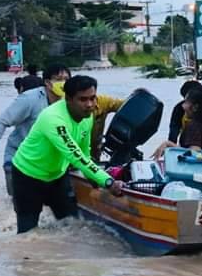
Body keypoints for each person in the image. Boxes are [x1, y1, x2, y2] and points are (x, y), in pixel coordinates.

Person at [10, 74, 123, 234]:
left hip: (57, 176)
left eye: (93, 98)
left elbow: (85, 151)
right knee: (28, 234)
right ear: (68, 99)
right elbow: (76, 157)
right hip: (28, 176)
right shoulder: (53, 118)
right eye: (83, 100)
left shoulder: (87, 116)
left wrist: (93, 177)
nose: (90, 105)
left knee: (72, 226)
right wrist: (109, 182)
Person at [0, 63, 70, 196]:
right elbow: (1, 121)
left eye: (66, 79)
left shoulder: (70, 103)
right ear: (47, 83)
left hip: (46, 163)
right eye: (58, 79)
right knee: (16, 207)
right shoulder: (30, 99)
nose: (63, 83)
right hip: (18, 159)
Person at [153, 86, 202, 156]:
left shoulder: (194, 126)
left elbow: (195, 153)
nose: (183, 106)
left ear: (195, 107)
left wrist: (168, 144)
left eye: (186, 102)